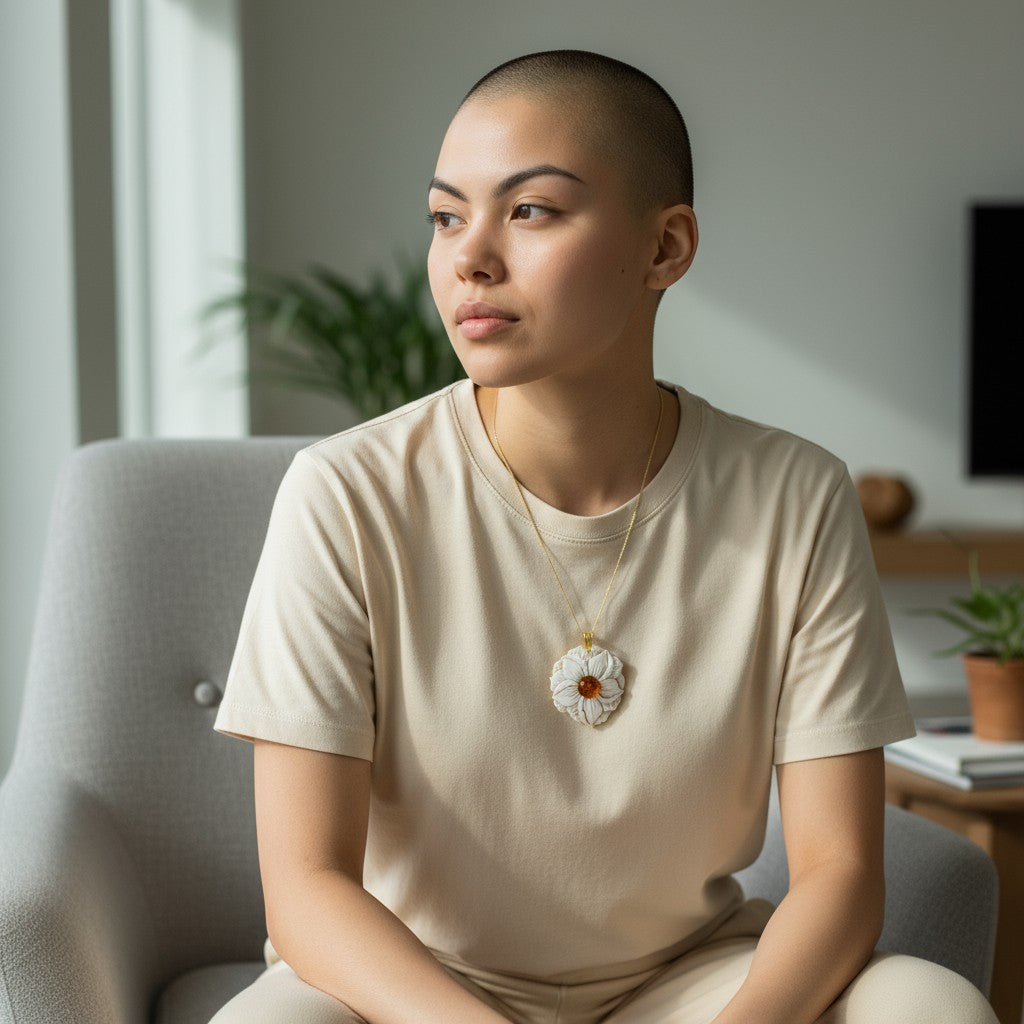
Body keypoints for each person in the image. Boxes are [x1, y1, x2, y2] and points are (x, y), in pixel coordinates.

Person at [210, 50, 998, 1024]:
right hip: (415, 991)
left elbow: (839, 872)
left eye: (530, 210)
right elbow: (306, 886)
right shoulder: (345, 493)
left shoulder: (796, 496)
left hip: (687, 983)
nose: (469, 257)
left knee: (930, 1005)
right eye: (446, 217)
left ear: (665, 247)